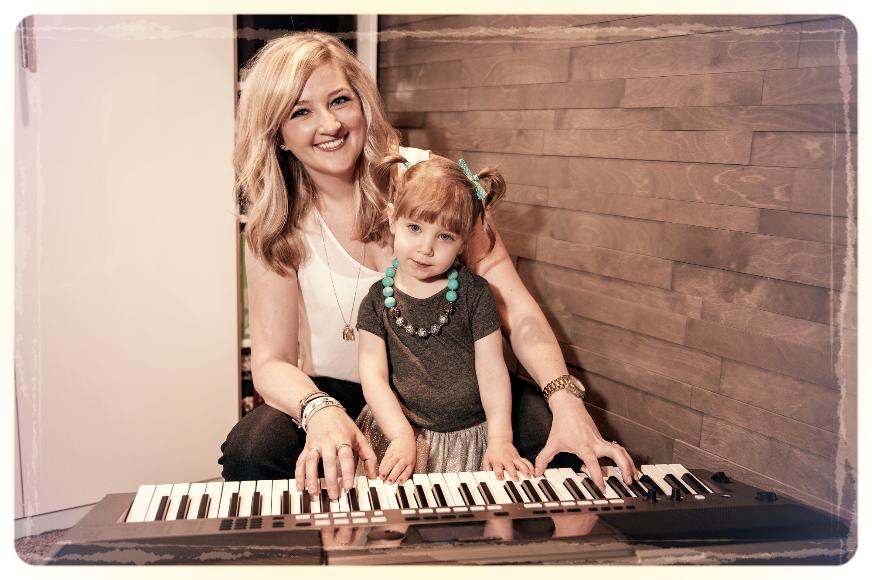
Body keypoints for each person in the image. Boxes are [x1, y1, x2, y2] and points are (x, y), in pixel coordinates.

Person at [218, 31, 638, 502]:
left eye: (340, 100)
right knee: (254, 451)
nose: (330, 124)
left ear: (363, 104)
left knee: (550, 445)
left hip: (461, 387)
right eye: (301, 111)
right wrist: (318, 409)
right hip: (347, 390)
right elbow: (271, 362)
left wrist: (566, 399)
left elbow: (513, 306)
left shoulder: (430, 181)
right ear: (278, 134)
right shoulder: (274, 222)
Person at [354, 154, 533, 483]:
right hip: (399, 434)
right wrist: (399, 435)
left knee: (463, 527)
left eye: (445, 237)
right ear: (392, 220)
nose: (426, 248)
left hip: (466, 439)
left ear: (464, 242)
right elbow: (373, 375)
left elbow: (492, 370)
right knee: (391, 523)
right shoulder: (377, 300)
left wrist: (500, 440)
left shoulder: (474, 294)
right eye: (414, 228)